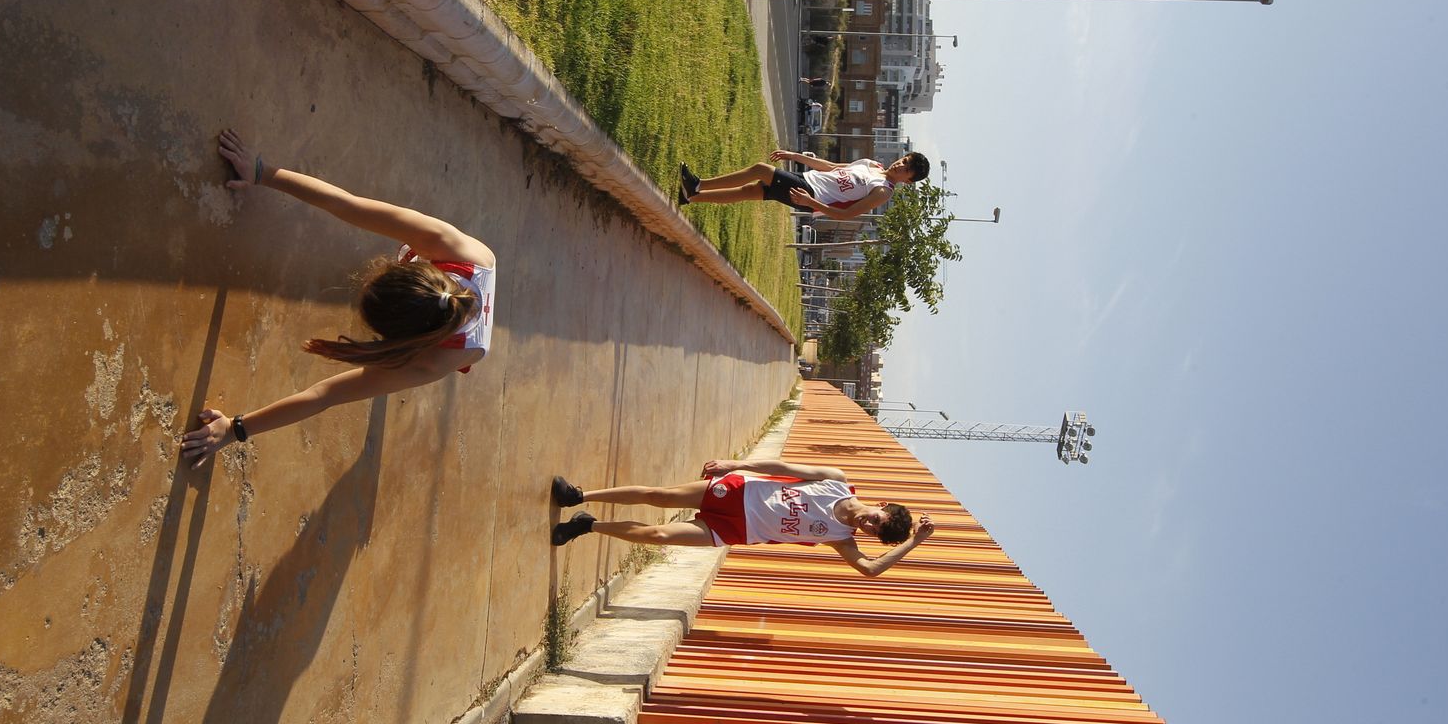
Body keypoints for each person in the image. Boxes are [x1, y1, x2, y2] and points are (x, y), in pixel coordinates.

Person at [179, 129, 496, 467]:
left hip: (459, 346)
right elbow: (345, 204)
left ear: (405, 339)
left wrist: (234, 429)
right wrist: (261, 171)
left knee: (384, 376)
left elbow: (325, 394)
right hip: (452, 284)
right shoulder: (455, 246)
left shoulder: (434, 361)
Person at [549, 459, 934, 577]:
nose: (869, 525)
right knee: (658, 495)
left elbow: (869, 570)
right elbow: (784, 466)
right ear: (882, 506)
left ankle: (588, 525)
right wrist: (738, 464)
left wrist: (914, 543)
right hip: (739, 491)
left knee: (659, 536)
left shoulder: (840, 537)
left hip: (735, 529)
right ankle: (579, 495)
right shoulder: (837, 481)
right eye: (878, 520)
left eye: (874, 530)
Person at [678, 150, 929, 219]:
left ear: (907, 180)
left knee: (760, 170)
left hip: (809, 195)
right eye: (904, 161)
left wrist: (811, 203)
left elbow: (847, 214)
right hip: (807, 180)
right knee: (751, 190)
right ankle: (691, 198)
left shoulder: (883, 191)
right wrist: (796, 156)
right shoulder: (872, 164)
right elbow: (831, 167)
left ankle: (697, 185)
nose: (900, 166)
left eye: (906, 170)